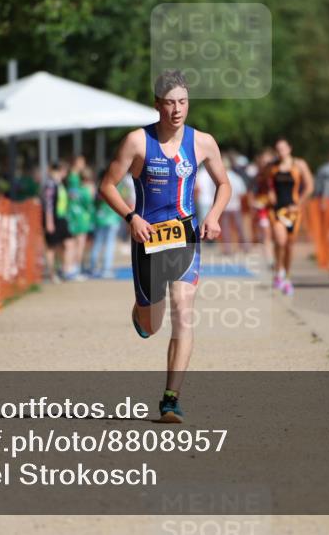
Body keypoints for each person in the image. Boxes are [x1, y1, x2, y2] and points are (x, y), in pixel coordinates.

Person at [98, 70, 231, 423]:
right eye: (170, 103)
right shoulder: (137, 142)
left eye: (183, 102)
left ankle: (171, 399)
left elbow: (224, 184)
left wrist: (214, 216)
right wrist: (131, 218)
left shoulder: (202, 142)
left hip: (185, 236)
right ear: (157, 104)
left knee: (183, 314)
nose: (177, 110)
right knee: (152, 324)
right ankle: (140, 311)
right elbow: (107, 185)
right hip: (147, 238)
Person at [266, 137, 314, 296]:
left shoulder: (299, 165)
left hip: (293, 211)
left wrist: (299, 203)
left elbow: (309, 186)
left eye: (283, 148)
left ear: (289, 148)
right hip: (277, 210)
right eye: (278, 149)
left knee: (290, 245)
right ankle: (278, 271)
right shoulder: (272, 166)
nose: (281, 152)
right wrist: (270, 193)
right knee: (280, 240)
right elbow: (266, 183)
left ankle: (287, 275)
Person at [64, 159, 95, 281]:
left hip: (73, 216)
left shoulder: (74, 189)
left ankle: (69, 268)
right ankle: (75, 269)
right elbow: (89, 204)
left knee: (72, 244)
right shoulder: (87, 190)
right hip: (83, 218)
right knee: (79, 245)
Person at [89, 169, 123, 278]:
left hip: (100, 218)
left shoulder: (98, 187)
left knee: (97, 243)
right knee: (109, 244)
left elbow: (94, 203)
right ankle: (106, 269)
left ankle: (93, 267)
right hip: (111, 219)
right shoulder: (113, 186)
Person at [41, 161, 70, 283]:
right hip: (53, 218)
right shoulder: (50, 184)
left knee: (63, 245)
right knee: (51, 247)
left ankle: (61, 270)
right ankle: (52, 274)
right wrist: (49, 222)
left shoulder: (59, 184)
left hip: (61, 218)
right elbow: (48, 204)